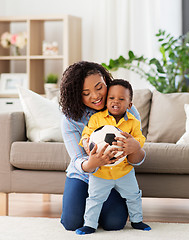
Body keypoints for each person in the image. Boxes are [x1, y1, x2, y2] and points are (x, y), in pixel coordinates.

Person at [59, 61, 146, 231]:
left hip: (112, 176)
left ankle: (98, 209)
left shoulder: (126, 109)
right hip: (83, 175)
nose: (95, 96)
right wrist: (92, 163)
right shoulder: (69, 119)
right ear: (77, 95)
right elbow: (77, 159)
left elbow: (137, 159)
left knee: (114, 223)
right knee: (71, 223)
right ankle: (88, 207)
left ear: (107, 82)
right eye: (86, 93)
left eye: (99, 87)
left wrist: (134, 147)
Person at [76, 79, 151, 235]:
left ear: (129, 105)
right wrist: (86, 143)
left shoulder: (133, 122)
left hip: (124, 171)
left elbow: (140, 139)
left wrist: (135, 144)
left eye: (121, 99)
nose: (115, 101)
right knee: (94, 198)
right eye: (111, 98)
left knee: (134, 196)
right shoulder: (97, 119)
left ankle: (137, 220)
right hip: (100, 172)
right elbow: (86, 134)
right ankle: (89, 224)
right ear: (106, 100)